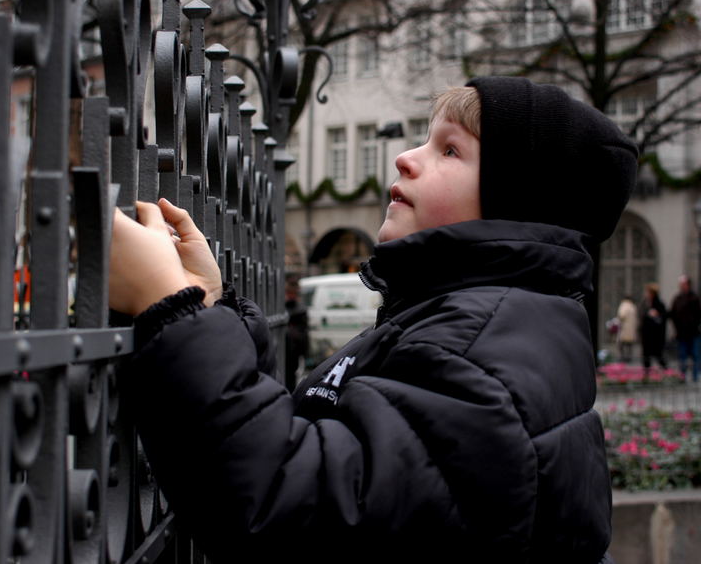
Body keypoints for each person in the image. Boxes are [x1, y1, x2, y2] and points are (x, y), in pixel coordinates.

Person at [109, 77, 637, 564]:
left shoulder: (479, 349)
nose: (406, 158)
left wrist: (172, 311)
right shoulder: (476, 319)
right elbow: (321, 442)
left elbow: (296, 512)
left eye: (450, 150)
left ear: (516, 203)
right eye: (425, 141)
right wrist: (207, 307)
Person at [669, 274, 701, 382]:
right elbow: (673, 314)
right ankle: (682, 376)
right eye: (681, 284)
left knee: (695, 356)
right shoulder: (677, 299)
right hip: (681, 333)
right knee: (682, 356)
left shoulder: (695, 298)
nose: (682, 286)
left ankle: (695, 376)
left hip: (693, 332)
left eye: (684, 284)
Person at [284, 273, 309, 390]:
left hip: (292, 350)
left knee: (290, 378)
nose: (295, 289)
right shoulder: (294, 307)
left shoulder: (299, 308)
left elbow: (304, 334)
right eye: (292, 285)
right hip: (287, 348)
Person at [639, 282, 667, 375]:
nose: (646, 294)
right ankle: (646, 374)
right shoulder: (645, 303)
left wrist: (657, 315)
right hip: (646, 334)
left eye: (648, 292)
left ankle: (666, 372)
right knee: (646, 356)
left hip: (656, 335)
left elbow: (664, 317)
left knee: (658, 355)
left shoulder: (659, 304)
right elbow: (641, 315)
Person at [616, 295, 638, 362]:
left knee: (621, 343)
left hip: (624, 328)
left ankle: (622, 357)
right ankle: (629, 357)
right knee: (629, 344)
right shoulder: (633, 306)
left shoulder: (624, 305)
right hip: (631, 328)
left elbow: (621, 315)